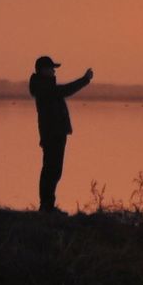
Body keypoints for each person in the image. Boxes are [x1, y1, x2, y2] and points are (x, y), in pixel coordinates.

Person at [28, 55, 92, 213]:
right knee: (51, 170)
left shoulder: (45, 86)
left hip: (55, 134)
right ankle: (46, 206)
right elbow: (65, 90)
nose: (54, 71)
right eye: (51, 68)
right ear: (43, 70)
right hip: (52, 134)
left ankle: (48, 205)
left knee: (53, 170)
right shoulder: (44, 88)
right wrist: (85, 80)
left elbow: (61, 92)